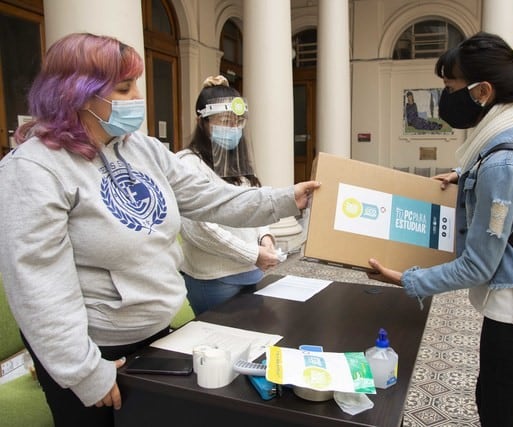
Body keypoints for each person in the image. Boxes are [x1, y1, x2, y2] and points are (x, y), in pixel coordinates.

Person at [0, 33, 319, 427]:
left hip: (157, 334)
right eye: (123, 87)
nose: (139, 95)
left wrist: (286, 199)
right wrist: (85, 372)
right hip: (94, 350)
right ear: (78, 93)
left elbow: (212, 198)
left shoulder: (142, 148)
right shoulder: (33, 169)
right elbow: (38, 288)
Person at [368, 32, 513, 427]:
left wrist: (407, 280)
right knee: (498, 398)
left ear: (482, 92)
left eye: (449, 86)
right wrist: (465, 175)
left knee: (497, 410)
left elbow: (477, 266)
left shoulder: (502, 166)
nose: (445, 95)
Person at [177, 75, 279, 315]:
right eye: (224, 121)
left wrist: (265, 237)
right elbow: (198, 228)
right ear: (201, 121)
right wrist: (252, 254)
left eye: (237, 123)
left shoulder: (236, 164)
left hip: (251, 271)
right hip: (215, 279)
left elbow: (254, 203)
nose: (233, 129)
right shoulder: (187, 165)